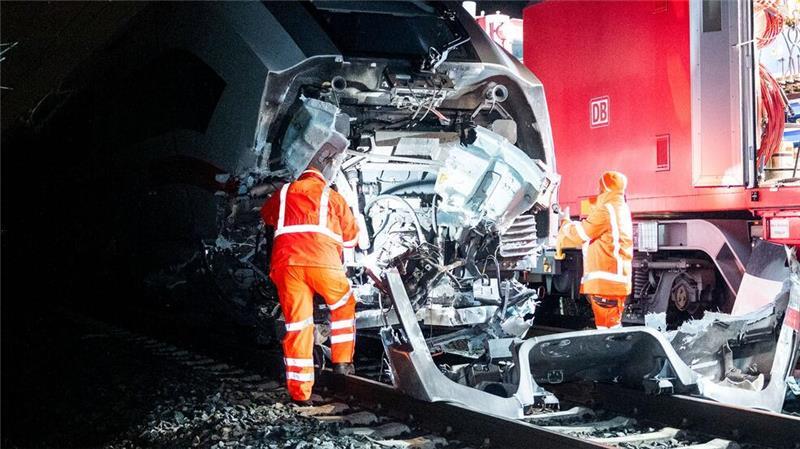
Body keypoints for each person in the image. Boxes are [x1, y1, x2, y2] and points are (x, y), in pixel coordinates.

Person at [261, 161, 359, 405]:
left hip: (288, 266)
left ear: (301, 173)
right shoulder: (332, 196)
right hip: (324, 265)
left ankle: (300, 393)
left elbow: (267, 216)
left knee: (298, 326)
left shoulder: (284, 191)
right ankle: (343, 362)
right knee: (343, 307)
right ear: (323, 177)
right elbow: (351, 238)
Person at [556, 171, 633, 329]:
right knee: (611, 328)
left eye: (600, 188)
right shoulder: (620, 209)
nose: (598, 192)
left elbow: (581, 234)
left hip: (606, 284)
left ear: (605, 189)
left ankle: (613, 354)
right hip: (615, 281)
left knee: (607, 332)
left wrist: (565, 223)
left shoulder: (607, 210)